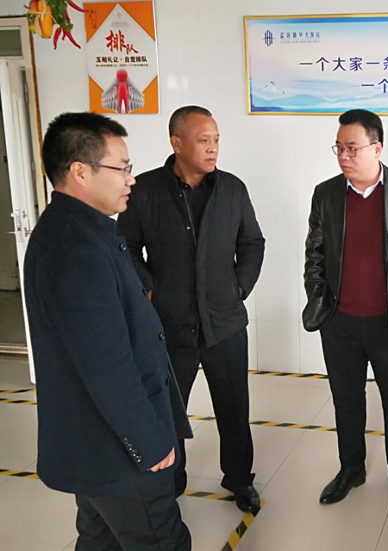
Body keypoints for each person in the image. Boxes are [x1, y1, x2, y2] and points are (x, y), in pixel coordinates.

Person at [25, 112, 192, 550]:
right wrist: (149, 443)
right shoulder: (75, 249)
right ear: (81, 171)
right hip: (119, 455)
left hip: (98, 448)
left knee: (100, 540)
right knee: (160, 540)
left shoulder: (81, 230)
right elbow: (106, 366)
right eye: (122, 168)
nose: (130, 179)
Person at [117, 106, 265, 513]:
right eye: (204, 140)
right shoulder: (145, 190)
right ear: (176, 143)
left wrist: (239, 286)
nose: (213, 148)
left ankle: (240, 480)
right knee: (167, 410)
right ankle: (170, 480)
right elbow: (124, 245)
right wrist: (148, 290)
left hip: (224, 323)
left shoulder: (232, 189)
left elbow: (252, 242)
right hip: (168, 324)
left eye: (216, 140)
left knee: (234, 409)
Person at [303, 109, 388, 504]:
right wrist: (318, 299)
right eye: (339, 148)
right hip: (340, 322)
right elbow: (314, 253)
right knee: (346, 400)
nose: (344, 156)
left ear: (377, 148)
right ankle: (351, 469)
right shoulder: (326, 193)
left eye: (352, 148)